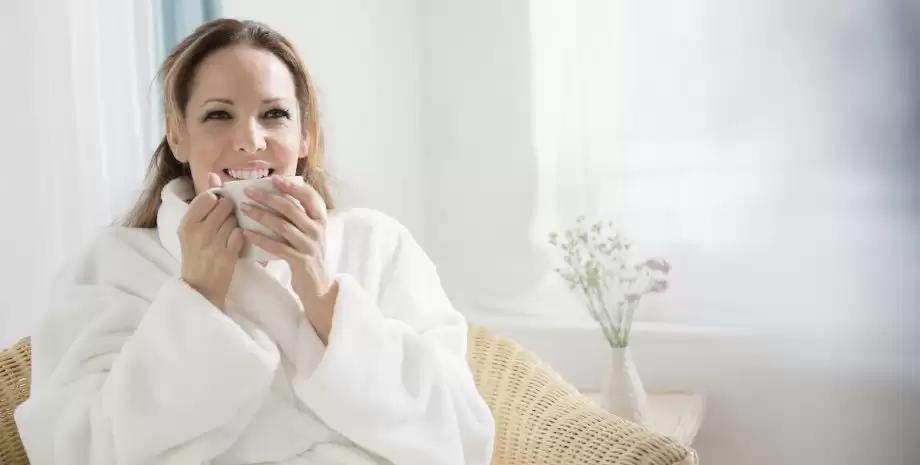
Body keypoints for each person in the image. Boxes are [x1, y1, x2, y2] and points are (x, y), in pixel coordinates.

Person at [14, 18, 495, 465]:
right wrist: (196, 300)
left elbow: (461, 434)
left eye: (274, 114)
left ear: (305, 136)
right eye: (219, 115)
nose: (250, 141)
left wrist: (323, 296)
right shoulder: (114, 266)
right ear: (178, 137)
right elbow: (76, 449)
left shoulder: (378, 246)